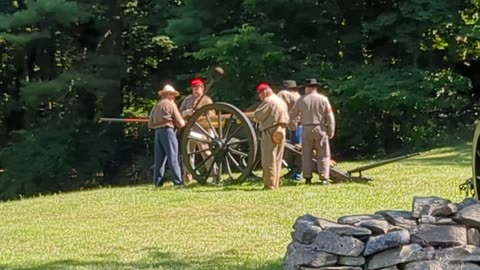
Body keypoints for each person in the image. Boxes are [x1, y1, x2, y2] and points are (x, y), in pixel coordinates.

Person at [290, 78, 335, 185]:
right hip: (320, 128)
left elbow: (292, 115)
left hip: (306, 129)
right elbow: (330, 116)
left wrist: (293, 125)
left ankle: (307, 177)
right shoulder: (323, 99)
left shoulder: (301, 100)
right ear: (315, 87)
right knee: (323, 154)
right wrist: (331, 129)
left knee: (306, 154)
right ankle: (324, 177)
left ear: (307, 88)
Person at [179, 77, 216, 183]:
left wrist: (198, 115)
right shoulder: (187, 100)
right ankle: (187, 178)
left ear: (202, 88)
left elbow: (212, 117)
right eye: (194, 88)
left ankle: (214, 174)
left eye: (198, 88)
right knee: (187, 153)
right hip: (189, 131)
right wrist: (186, 113)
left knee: (206, 152)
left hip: (203, 130)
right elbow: (180, 114)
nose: (196, 90)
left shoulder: (206, 100)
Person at [148, 84, 185, 187]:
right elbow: (180, 122)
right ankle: (178, 181)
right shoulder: (170, 104)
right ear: (168, 95)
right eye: (172, 95)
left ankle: (157, 182)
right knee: (173, 157)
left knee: (159, 159)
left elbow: (150, 123)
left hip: (158, 132)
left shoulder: (157, 105)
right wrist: (183, 125)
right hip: (168, 131)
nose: (173, 97)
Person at [254, 83, 289, 190]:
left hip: (270, 130)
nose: (260, 97)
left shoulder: (268, 101)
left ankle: (270, 185)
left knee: (268, 159)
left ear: (264, 92)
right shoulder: (281, 101)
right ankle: (276, 183)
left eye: (259, 95)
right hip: (281, 130)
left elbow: (258, 115)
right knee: (278, 158)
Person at [277, 80, 303, 181]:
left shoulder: (283, 94)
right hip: (300, 123)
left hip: (294, 124)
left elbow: (278, 107)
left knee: (296, 150)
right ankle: (295, 172)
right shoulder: (297, 94)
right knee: (297, 148)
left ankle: (296, 174)